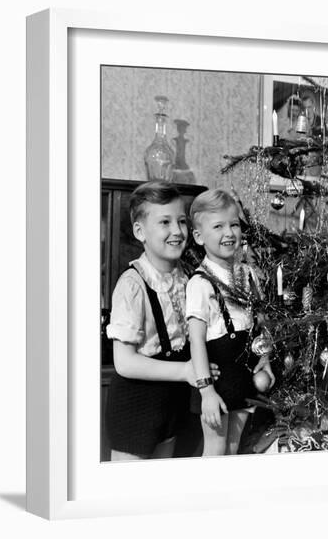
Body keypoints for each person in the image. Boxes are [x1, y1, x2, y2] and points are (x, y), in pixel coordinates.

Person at [105, 180, 218, 461]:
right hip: (136, 405)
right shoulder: (132, 284)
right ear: (140, 231)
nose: (177, 231)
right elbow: (125, 362)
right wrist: (185, 372)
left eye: (181, 221)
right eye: (165, 222)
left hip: (172, 403)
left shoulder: (188, 279)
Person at [186, 189, 275, 456]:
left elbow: (262, 323)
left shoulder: (248, 275)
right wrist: (206, 392)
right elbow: (197, 342)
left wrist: (266, 357)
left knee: (234, 449)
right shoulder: (200, 284)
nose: (229, 233)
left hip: (244, 376)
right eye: (218, 226)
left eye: (234, 224)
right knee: (215, 450)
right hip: (217, 380)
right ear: (199, 236)